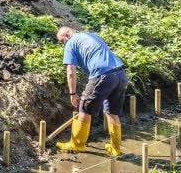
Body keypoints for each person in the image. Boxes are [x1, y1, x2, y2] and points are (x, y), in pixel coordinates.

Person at [55, 26, 128, 156]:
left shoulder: (71, 43)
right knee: (112, 112)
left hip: (103, 74)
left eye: (61, 41)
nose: (62, 44)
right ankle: (116, 149)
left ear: (66, 36)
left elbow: (71, 72)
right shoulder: (91, 35)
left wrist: (72, 94)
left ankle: (77, 144)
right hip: (120, 74)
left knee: (84, 106)